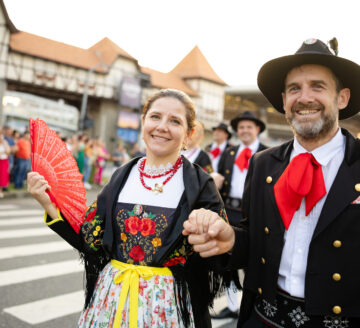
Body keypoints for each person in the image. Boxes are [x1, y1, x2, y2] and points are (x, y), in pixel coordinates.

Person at [183, 38, 360, 327]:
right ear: (283, 101)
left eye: (318, 86)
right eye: (294, 89)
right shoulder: (263, 162)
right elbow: (255, 240)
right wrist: (230, 240)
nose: (304, 97)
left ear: (342, 98)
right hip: (263, 317)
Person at [27, 88, 228, 328]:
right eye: (155, 117)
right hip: (112, 300)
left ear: (189, 133)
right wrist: (47, 203)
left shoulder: (200, 183)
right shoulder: (122, 176)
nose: (162, 126)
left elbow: (222, 252)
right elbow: (90, 240)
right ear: (143, 122)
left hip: (168, 308)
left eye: (175, 121)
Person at [210, 111, 267, 320]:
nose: (244, 131)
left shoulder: (268, 153)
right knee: (227, 262)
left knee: (255, 261)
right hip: (229, 211)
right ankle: (233, 305)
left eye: (249, 127)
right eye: (241, 127)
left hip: (254, 214)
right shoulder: (229, 152)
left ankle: (253, 306)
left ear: (257, 129)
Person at [0, 130, 11, 198]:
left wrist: (4, 143)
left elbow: (8, 152)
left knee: (3, 175)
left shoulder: (5, 143)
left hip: (4, 161)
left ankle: (1, 190)